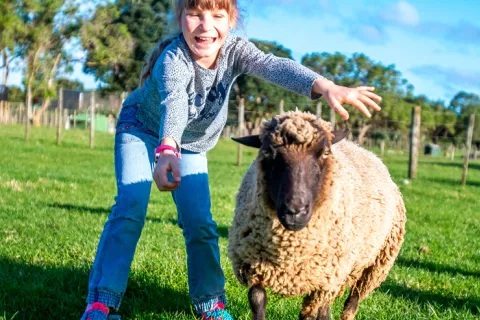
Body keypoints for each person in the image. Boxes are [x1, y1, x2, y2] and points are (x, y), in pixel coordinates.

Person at [80, 0, 382, 319]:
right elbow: (175, 102)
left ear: (232, 20)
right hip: (141, 130)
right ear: (180, 17)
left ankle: (210, 304)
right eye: (195, 14)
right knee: (130, 208)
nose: (205, 25)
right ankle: (102, 301)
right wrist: (168, 147)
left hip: (192, 145)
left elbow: (273, 66)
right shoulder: (173, 58)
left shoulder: (235, 51)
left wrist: (325, 85)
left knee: (200, 224)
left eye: (217, 15)